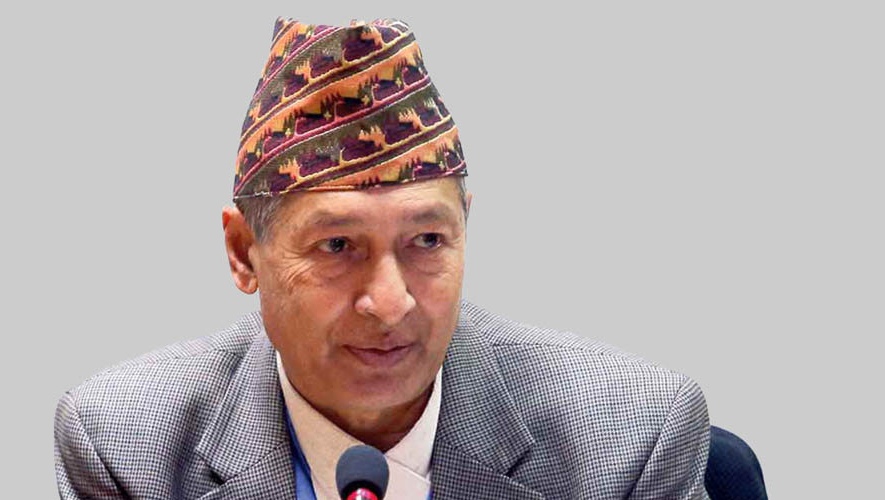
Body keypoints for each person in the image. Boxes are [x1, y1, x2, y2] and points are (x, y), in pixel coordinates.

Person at [54, 16, 711, 500]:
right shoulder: (128, 448)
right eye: (338, 246)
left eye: (427, 241)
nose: (391, 303)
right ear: (243, 252)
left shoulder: (628, 442)